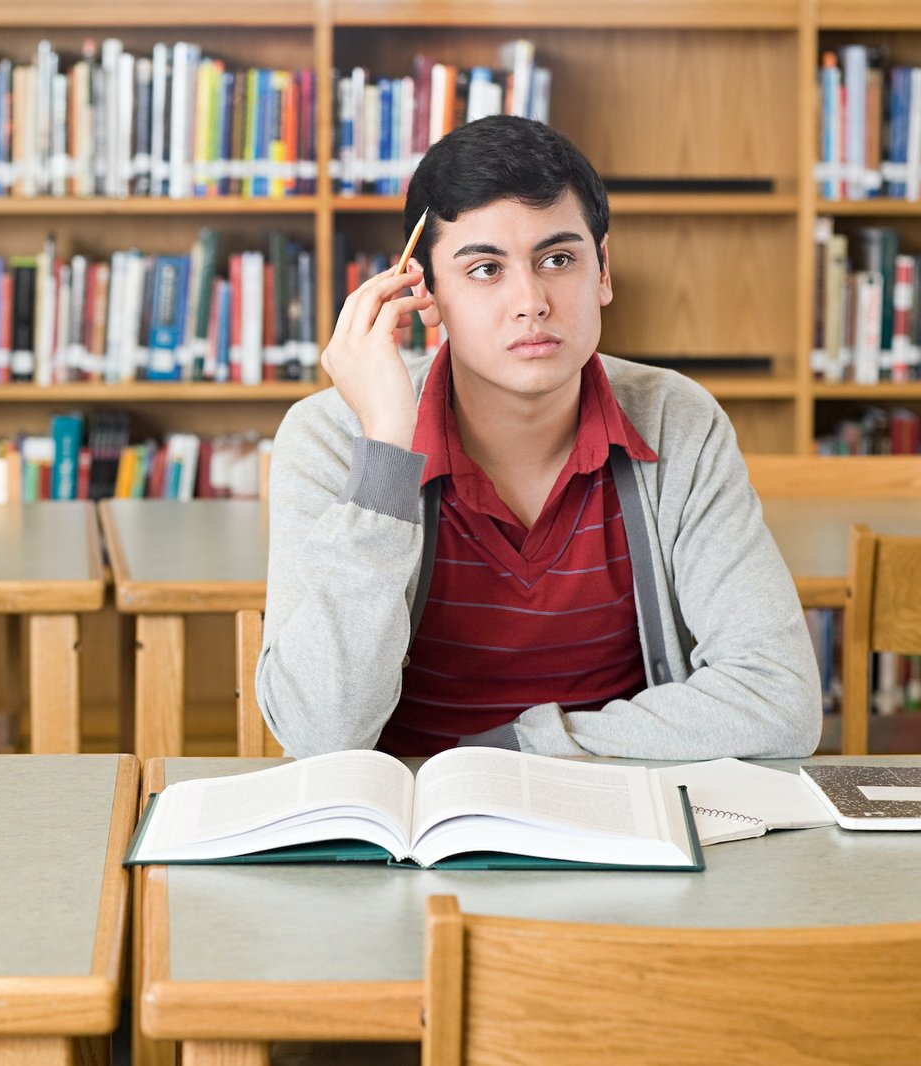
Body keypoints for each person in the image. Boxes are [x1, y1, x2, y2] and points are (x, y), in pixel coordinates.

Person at [256, 115, 821, 759]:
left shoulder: (677, 419)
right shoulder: (331, 436)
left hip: (617, 817)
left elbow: (779, 702)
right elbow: (318, 736)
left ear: (602, 271)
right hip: (406, 835)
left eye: (557, 259)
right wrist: (385, 447)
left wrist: (516, 752)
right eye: (485, 270)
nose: (531, 301)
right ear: (426, 294)